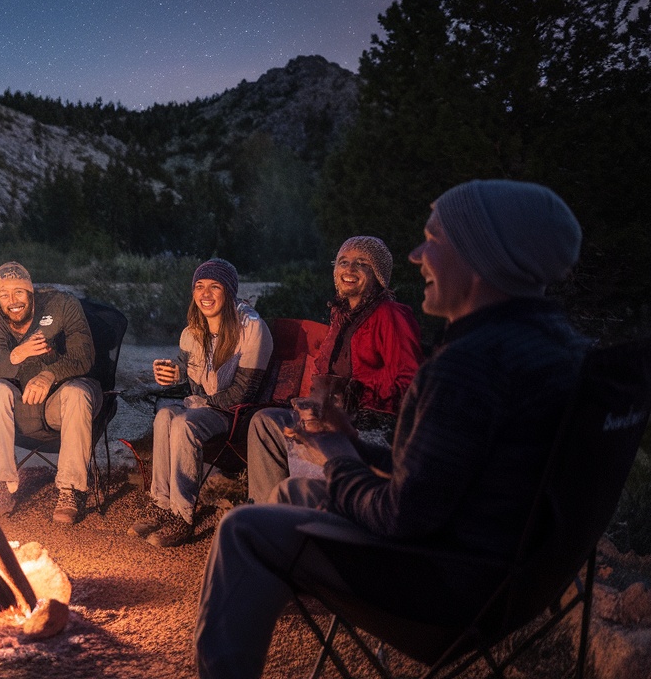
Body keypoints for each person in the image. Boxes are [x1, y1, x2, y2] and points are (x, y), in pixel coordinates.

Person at [194, 180, 588, 679]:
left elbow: (400, 514)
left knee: (242, 529)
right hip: (515, 579)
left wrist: (337, 457)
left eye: (435, 239)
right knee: (294, 489)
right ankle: (270, 587)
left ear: (485, 254)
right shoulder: (559, 351)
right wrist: (354, 446)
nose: (418, 254)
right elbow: (448, 478)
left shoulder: (470, 365)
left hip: (445, 589)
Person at [245, 236, 423, 504]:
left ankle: (303, 510)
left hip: (365, 421)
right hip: (325, 413)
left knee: (291, 431)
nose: (349, 269)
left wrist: (354, 396)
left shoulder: (390, 315)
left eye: (361, 263)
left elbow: (410, 380)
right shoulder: (340, 316)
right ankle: (266, 507)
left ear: (378, 275)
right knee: (265, 421)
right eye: (343, 261)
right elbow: (323, 370)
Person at [130, 259, 272, 547]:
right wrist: (173, 374)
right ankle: (161, 502)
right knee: (164, 416)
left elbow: (245, 393)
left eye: (214, 286)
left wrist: (200, 402)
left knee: (183, 422)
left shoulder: (252, 328)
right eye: (199, 286)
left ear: (229, 292)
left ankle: (182, 517)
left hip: (237, 417)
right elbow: (188, 376)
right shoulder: (192, 332)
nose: (205, 294)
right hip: (205, 409)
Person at [0, 261, 100, 525]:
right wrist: (19, 353)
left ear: (30, 291)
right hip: (24, 407)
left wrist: (49, 374)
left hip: (61, 401)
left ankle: (71, 490)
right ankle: (1, 486)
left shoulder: (62, 306)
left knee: (78, 393)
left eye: (19, 292)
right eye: (4, 295)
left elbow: (84, 357)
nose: (13, 301)